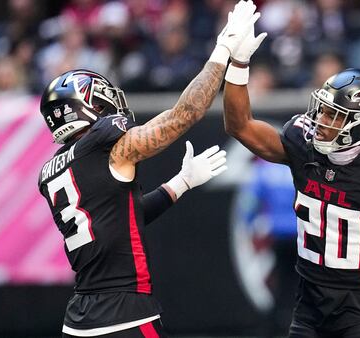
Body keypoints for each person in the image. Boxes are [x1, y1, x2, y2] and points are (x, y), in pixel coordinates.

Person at [37, 1, 262, 336]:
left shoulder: (51, 170)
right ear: (86, 107)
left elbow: (123, 218)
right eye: (100, 100)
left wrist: (180, 183)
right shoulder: (103, 141)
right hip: (124, 315)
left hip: (80, 319)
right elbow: (184, 114)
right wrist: (223, 50)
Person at [222, 23, 360, 338]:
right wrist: (237, 64)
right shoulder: (300, 143)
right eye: (322, 110)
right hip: (309, 308)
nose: (320, 120)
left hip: (359, 310)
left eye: (334, 115)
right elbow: (239, 125)